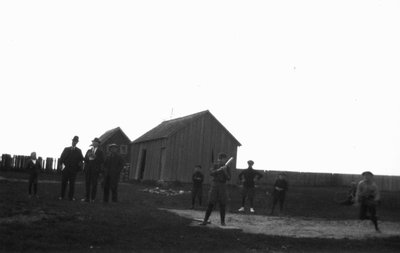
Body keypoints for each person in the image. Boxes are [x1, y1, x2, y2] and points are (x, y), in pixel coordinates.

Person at [200, 153, 231, 226]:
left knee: (222, 204)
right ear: (220, 159)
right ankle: (205, 220)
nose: (225, 160)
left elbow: (229, 178)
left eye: (225, 159)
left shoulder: (227, 167)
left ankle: (222, 222)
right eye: (224, 159)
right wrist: (219, 170)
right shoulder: (215, 165)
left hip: (223, 185)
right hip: (215, 185)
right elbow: (211, 173)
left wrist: (225, 171)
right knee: (211, 203)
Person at [59, 136, 84, 201]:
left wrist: (78, 168)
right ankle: (62, 196)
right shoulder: (66, 149)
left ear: (77, 142)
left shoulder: (78, 151)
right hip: (66, 169)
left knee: (72, 184)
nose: (74, 142)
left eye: (75, 141)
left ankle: (71, 197)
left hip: (73, 170)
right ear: (72, 141)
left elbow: (81, 160)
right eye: (73, 141)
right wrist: (61, 165)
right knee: (64, 183)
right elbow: (61, 158)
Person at [83, 137, 104, 203]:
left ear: (98, 144)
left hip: (95, 170)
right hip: (88, 170)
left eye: (96, 142)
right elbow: (85, 159)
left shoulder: (100, 152)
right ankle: (87, 198)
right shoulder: (89, 150)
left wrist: (95, 157)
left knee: (94, 184)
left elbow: (102, 160)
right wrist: (87, 156)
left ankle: (93, 199)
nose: (94, 143)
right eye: (93, 142)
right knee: (87, 184)